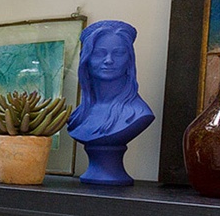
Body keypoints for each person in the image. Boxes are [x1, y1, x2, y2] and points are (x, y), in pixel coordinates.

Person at [66, 20, 154, 185]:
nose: (109, 60)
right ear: (86, 59)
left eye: (119, 53)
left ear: (129, 58)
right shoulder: (77, 116)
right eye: (99, 53)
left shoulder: (139, 113)